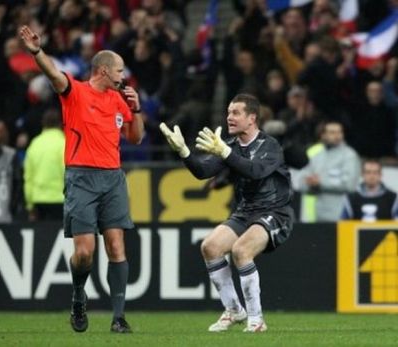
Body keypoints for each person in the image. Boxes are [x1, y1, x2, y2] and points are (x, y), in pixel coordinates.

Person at [19, 26, 145, 334]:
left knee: (116, 245)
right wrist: (37, 51)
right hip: (81, 178)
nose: (122, 75)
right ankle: (78, 294)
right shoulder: (75, 92)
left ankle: (118, 317)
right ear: (103, 70)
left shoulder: (118, 101)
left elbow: (136, 138)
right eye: (119, 70)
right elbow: (53, 75)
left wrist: (136, 109)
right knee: (85, 251)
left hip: (113, 178)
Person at [160, 93, 294, 333]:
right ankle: (233, 310)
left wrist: (225, 153)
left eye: (236, 113)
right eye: (229, 112)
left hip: (275, 211)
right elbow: (203, 171)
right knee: (209, 247)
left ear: (252, 118)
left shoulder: (270, 145)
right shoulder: (229, 147)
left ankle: (257, 319)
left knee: (241, 251)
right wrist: (183, 152)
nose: (229, 117)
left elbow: (255, 171)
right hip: (245, 212)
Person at [296, 120, 360, 222]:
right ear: (323, 135)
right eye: (332, 132)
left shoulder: (349, 155)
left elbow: (350, 185)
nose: (337, 136)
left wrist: (320, 183)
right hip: (317, 216)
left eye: (339, 132)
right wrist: (310, 183)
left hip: (342, 216)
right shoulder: (317, 156)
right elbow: (301, 183)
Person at [24, 109, 65, 221]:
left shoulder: (34, 144)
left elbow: (28, 178)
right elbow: (67, 174)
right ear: (61, 124)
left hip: (38, 201)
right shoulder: (64, 143)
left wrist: (29, 205)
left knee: (43, 238)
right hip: (61, 201)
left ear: (43, 124)